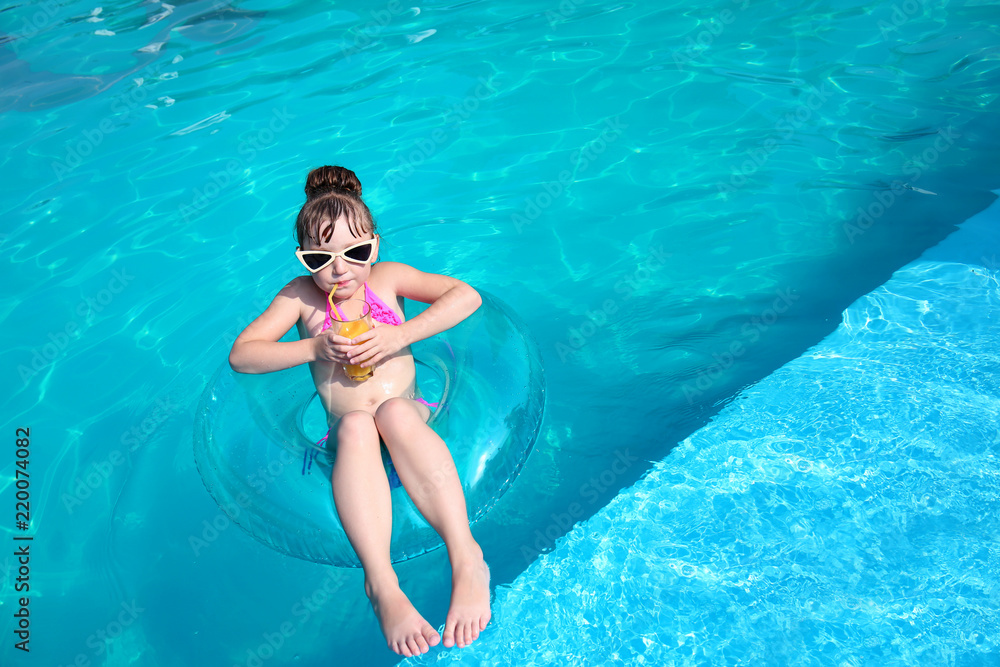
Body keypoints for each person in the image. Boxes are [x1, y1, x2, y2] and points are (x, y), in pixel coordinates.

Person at [229, 166, 491, 657]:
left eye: (355, 253)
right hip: (351, 445)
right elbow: (243, 355)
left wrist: (401, 334)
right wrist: (313, 350)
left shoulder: (389, 280)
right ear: (303, 259)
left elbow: (466, 295)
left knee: (392, 413)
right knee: (355, 423)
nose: (339, 269)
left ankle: (466, 554)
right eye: (319, 258)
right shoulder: (300, 299)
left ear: (374, 244)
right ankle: (381, 584)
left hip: (410, 419)